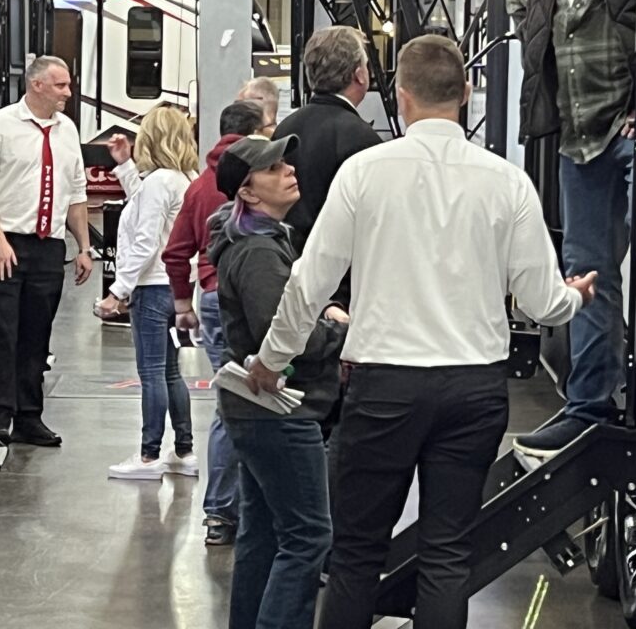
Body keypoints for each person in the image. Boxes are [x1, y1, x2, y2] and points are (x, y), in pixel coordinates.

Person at [248, 35, 596, 629]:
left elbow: (309, 284)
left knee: (356, 556)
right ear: (464, 94)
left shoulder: (364, 174)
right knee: (447, 556)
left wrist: (270, 360)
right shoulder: (507, 182)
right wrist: (574, 297)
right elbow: (541, 300)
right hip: (473, 392)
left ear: (401, 98)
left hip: (383, 389)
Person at [505, 0, 636, 460]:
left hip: (634, 130)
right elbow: (518, 9)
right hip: (578, 139)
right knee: (586, 276)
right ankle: (588, 407)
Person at [209, 134, 344, 629]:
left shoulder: (259, 243)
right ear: (247, 192)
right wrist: (337, 332)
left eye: (286, 162)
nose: (288, 170)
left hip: (253, 411)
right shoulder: (261, 252)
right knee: (308, 536)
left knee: (262, 535)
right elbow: (280, 336)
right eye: (273, 169)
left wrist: (318, 310)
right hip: (280, 410)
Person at [0, 56, 95, 447]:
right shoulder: (0, 125)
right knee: (3, 331)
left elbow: (76, 193)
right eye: (61, 86)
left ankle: (29, 415)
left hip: (48, 246)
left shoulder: (67, 130)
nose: (68, 94)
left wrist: (84, 246)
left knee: (37, 335)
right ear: (37, 85)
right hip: (8, 243)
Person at [161, 100, 270, 545]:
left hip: (209, 296)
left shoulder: (201, 185)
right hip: (250, 298)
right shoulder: (257, 183)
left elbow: (175, 251)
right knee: (253, 404)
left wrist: (184, 302)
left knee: (228, 407)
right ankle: (240, 508)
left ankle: (221, 514)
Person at [96, 106, 201, 480]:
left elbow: (144, 242)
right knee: (172, 372)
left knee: (152, 372)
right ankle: (184, 451)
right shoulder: (185, 178)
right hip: (176, 286)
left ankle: (148, 455)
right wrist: (124, 167)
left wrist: (117, 291)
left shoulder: (160, 182)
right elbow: (144, 204)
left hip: (151, 287)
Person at [271, 26, 381, 257]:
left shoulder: (284, 129)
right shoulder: (362, 138)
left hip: (287, 261)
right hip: (342, 276)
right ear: (359, 74)